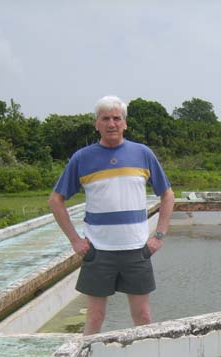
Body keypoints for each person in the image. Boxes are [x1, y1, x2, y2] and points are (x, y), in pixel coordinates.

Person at [48, 95, 175, 335]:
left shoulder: (143, 153)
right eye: (105, 118)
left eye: (117, 118)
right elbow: (55, 200)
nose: (111, 123)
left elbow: (167, 195)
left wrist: (159, 235)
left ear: (125, 123)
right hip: (99, 251)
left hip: (137, 250)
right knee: (95, 317)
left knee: (143, 315)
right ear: (96, 123)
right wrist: (76, 240)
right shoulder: (82, 158)